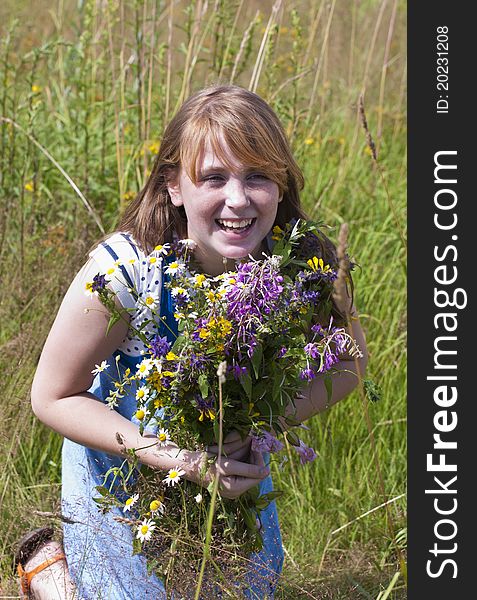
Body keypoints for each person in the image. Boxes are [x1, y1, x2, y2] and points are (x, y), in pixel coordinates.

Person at [19, 84, 368, 599]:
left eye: (257, 176)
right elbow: (50, 396)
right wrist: (178, 458)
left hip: (230, 467)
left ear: (280, 182)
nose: (238, 199)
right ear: (174, 186)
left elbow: (350, 360)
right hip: (125, 472)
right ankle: (49, 573)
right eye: (213, 177)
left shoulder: (295, 257)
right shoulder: (124, 272)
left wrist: (261, 429)